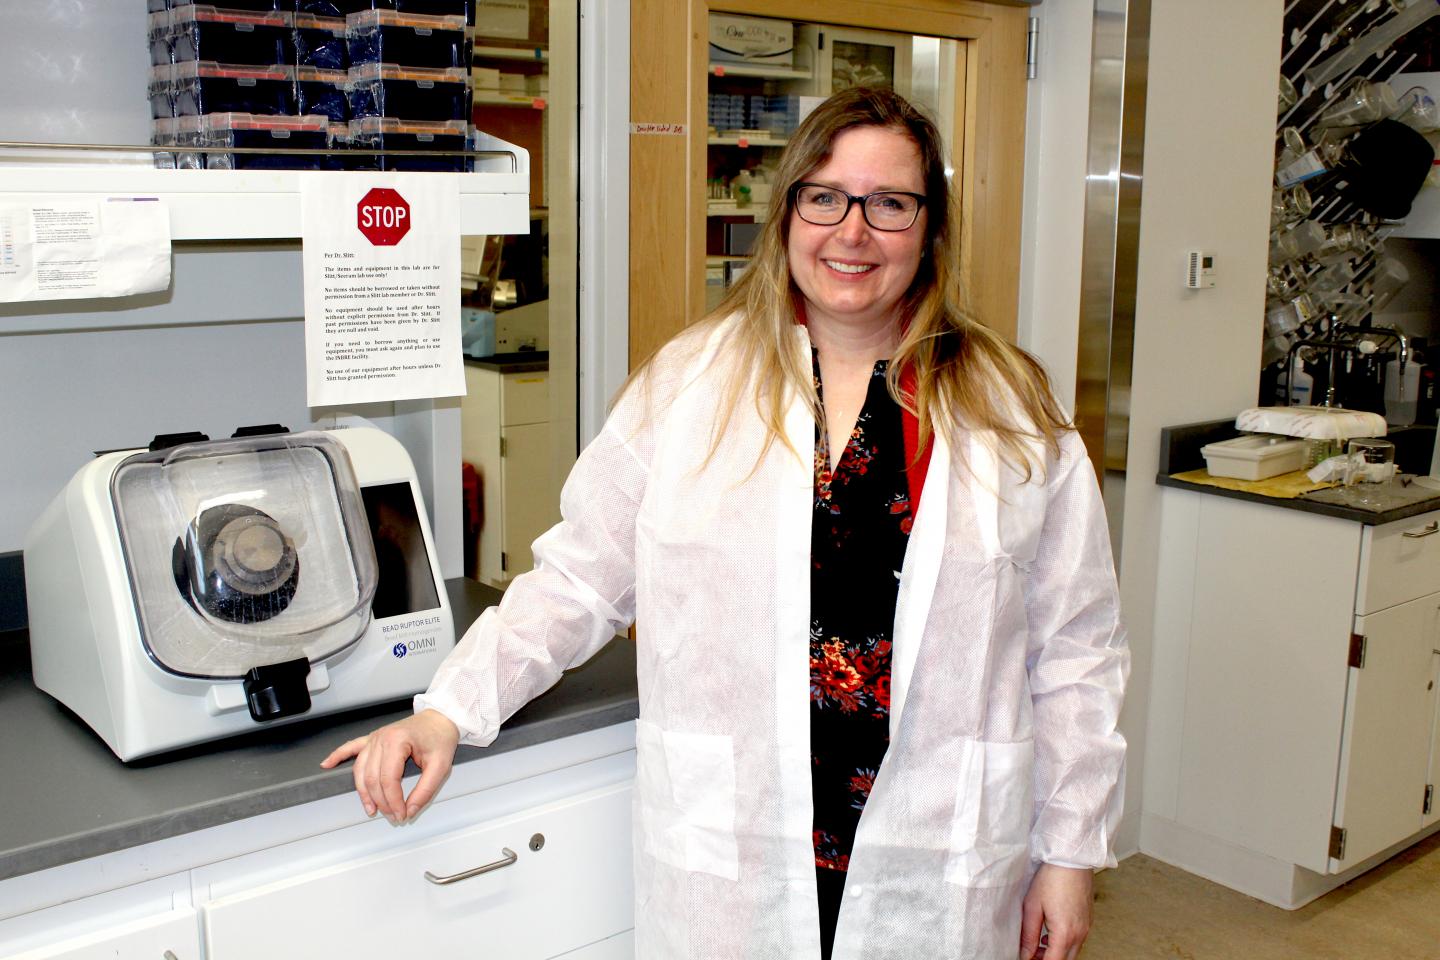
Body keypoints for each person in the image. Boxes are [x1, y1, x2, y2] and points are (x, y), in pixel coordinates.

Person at [323, 86, 1128, 960]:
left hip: (936, 850)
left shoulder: (1011, 412)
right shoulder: (688, 385)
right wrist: (448, 709)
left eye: (890, 204)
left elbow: (1075, 648)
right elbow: (580, 579)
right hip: (738, 851)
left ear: (930, 226)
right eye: (825, 197)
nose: (852, 231)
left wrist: (1069, 851)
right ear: (786, 214)